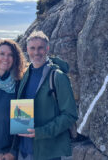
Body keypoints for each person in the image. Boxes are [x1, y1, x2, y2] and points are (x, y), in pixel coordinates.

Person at [17, 31, 78, 160]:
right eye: (32, 48)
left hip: (48, 152)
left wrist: (41, 132)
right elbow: (21, 109)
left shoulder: (58, 77)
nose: (36, 52)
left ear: (47, 49)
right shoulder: (24, 75)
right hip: (23, 151)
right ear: (27, 49)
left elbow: (70, 115)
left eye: (40, 48)